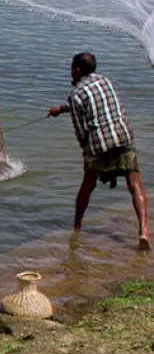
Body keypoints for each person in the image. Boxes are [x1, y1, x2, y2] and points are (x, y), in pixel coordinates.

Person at [47, 52, 150, 251]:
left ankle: (76, 228)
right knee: (134, 184)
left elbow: (81, 130)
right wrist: (61, 108)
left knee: (87, 185)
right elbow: (97, 104)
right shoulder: (105, 81)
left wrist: (87, 153)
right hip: (123, 136)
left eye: (71, 68)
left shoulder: (76, 94)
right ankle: (143, 231)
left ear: (77, 70)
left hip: (98, 143)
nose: (70, 71)